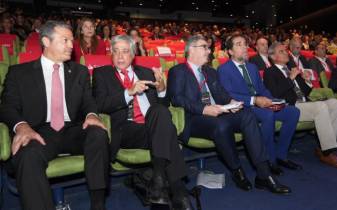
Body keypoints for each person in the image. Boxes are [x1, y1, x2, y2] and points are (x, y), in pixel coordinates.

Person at [0, 21, 110, 210]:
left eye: (71, 40)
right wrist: (21, 126)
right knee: (27, 155)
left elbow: (88, 101)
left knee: (98, 134)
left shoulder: (79, 72)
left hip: (72, 129)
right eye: (64, 40)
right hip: (39, 131)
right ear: (46, 41)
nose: (70, 45)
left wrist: (92, 114)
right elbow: (7, 106)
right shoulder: (19, 73)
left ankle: (98, 204)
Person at [168, 35, 291, 194]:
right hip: (195, 117)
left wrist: (232, 103)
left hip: (219, 112)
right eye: (204, 47)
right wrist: (203, 109)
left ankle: (263, 174)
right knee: (222, 124)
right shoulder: (178, 71)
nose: (209, 50)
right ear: (191, 50)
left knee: (247, 115)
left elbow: (222, 95)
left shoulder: (210, 71)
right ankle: (237, 170)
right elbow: (177, 99)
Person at [92, 35, 193, 210]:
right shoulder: (102, 74)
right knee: (167, 134)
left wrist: (161, 90)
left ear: (133, 55)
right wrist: (128, 92)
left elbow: (162, 107)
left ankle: (160, 185)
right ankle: (177, 190)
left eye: (125, 51)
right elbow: (99, 105)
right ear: (111, 55)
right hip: (125, 129)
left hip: (153, 126)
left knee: (159, 112)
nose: (120, 56)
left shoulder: (146, 73)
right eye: (116, 52)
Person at [217, 34, 301, 175]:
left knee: (293, 112)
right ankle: (269, 160)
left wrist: (273, 100)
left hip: (260, 103)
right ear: (230, 51)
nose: (244, 47)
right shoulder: (224, 69)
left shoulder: (252, 67)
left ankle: (281, 155)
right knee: (268, 115)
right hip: (243, 107)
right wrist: (254, 101)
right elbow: (228, 95)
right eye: (239, 44)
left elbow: (262, 89)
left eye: (245, 43)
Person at [264, 42, 337, 169]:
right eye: (281, 51)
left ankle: (326, 147)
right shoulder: (270, 72)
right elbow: (275, 94)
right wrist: (290, 79)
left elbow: (307, 92)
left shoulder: (291, 69)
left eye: (285, 50)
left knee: (334, 103)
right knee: (320, 107)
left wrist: (306, 80)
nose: (286, 53)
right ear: (272, 56)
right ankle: (328, 152)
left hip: (305, 103)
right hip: (290, 107)